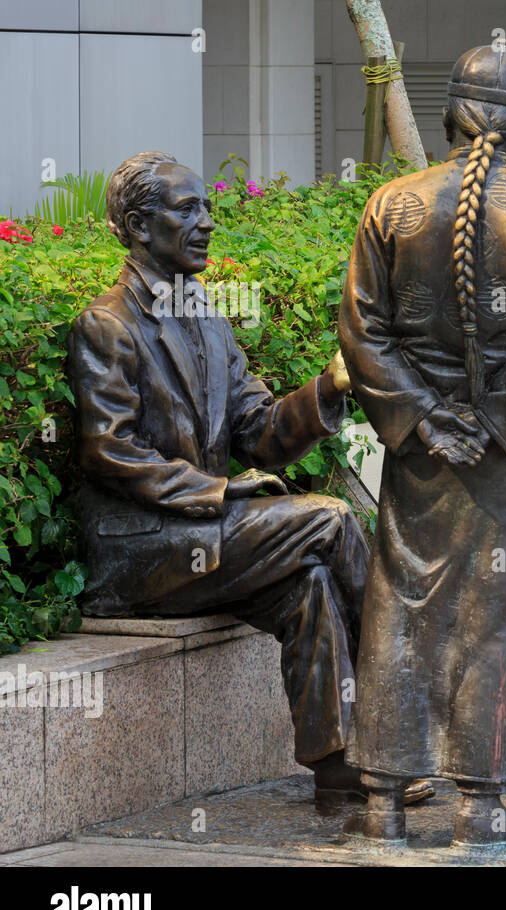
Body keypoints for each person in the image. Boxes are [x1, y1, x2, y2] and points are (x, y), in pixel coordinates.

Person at [339, 39, 506, 846]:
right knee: (497, 615)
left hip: (418, 455)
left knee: (399, 608)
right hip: (502, 459)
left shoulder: (390, 205)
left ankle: (383, 803)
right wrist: (489, 422)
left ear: (451, 114)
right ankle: (480, 808)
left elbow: (362, 331)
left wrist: (421, 416)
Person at [67, 151, 372, 803]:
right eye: (188, 209)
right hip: (141, 552)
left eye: (208, 207)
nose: (206, 221)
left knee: (311, 582)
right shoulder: (106, 324)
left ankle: (340, 763)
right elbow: (109, 452)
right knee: (330, 518)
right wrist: (218, 491)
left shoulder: (208, 319)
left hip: (200, 544)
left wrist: (332, 385)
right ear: (141, 228)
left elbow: (260, 431)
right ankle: (409, 707)